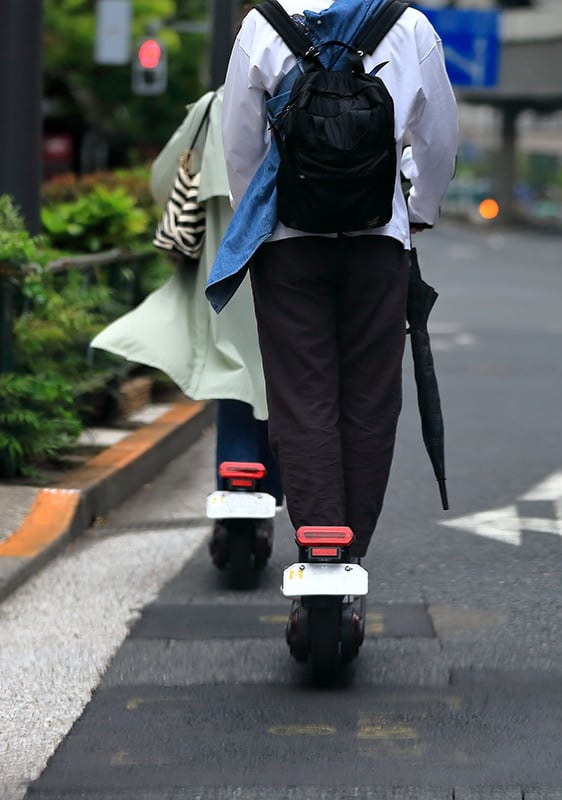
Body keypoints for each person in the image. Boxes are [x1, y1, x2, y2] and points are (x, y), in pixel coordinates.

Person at [209, 0, 458, 560]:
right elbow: (439, 140)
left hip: (288, 244)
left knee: (301, 393)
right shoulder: (410, 25)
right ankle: (352, 547)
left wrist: (261, 215)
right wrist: (419, 208)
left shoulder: (263, 25)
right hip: (379, 240)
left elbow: (240, 144)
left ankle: (320, 536)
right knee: (371, 395)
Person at [91, 88, 282, 508]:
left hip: (227, 258)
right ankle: (280, 483)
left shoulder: (216, 104)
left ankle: (237, 467)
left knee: (233, 363)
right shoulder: (318, 91)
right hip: (299, 254)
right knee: (289, 368)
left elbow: (163, 180)